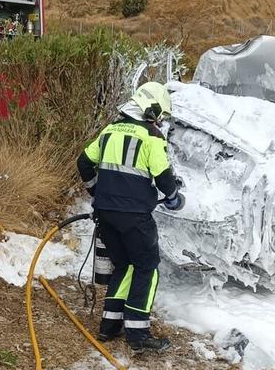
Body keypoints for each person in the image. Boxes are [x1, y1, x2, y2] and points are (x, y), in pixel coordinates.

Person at [77, 82, 185, 355]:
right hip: (135, 218)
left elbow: (84, 163)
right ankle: (138, 334)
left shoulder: (110, 130)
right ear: (151, 110)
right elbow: (163, 177)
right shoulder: (151, 137)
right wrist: (174, 197)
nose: (159, 121)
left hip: (106, 215)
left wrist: (96, 191)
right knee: (147, 267)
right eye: (160, 115)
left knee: (124, 266)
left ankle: (109, 326)